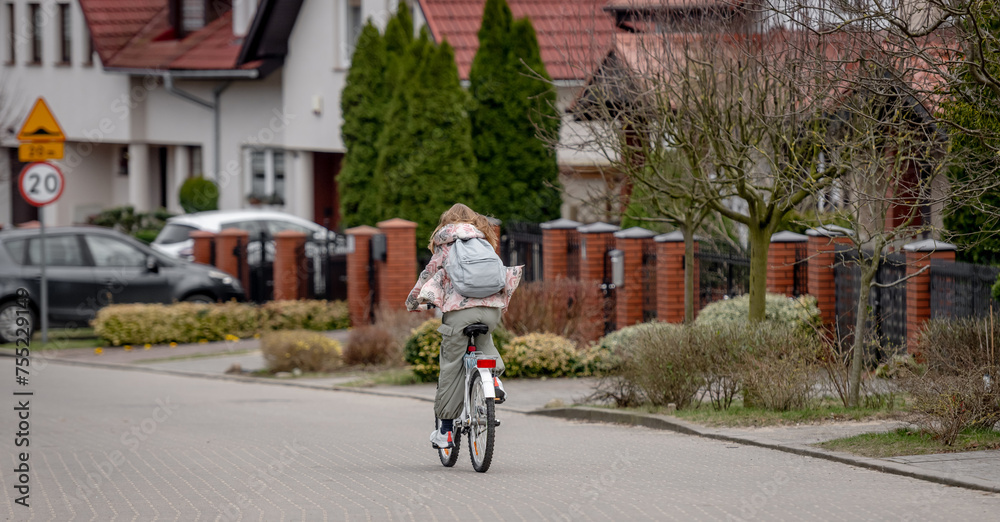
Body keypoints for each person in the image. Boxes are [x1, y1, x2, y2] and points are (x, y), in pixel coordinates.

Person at [406, 203, 522, 450]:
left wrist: (414, 301)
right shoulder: (484, 243)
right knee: (485, 340)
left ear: (447, 222)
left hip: (459, 314)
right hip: (491, 312)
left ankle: (445, 432)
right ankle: (494, 381)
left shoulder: (445, 244)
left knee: (451, 365)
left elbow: (428, 275)